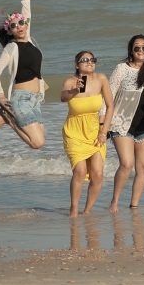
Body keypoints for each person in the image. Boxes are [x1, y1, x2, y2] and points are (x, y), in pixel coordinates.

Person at [0, 0, 47, 149]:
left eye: (20, 23)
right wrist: (0, 95)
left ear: (26, 25)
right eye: (13, 26)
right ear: (10, 32)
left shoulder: (30, 41)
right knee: (37, 143)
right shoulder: (12, 48)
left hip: (35, 99)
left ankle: (9, 118)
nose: (18, 26)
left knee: (40, 139)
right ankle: (10, 120)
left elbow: (27, 12)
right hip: (20, 99)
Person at [106, 35, 144, 211]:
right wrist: (103, 124)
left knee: (143, 168)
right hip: (122, 124)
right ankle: (114, 202)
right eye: (137, 48)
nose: (141, 51)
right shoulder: (122, 68)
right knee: (127, 164)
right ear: (131, 50)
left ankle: (134, 206)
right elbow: (108, 96)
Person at [60, 51, 113, 216]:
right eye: (85, 60)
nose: (89, 62)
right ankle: (74, 209)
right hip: (74, 131)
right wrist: (75, 91)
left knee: (97, 174)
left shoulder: (101, 79)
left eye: (92, 60)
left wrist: (104, 132)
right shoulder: (70, 81)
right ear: (77, 64)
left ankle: (88, 211)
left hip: (94, 130)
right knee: (80, 171)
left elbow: (111, 106)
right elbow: (63, 97)